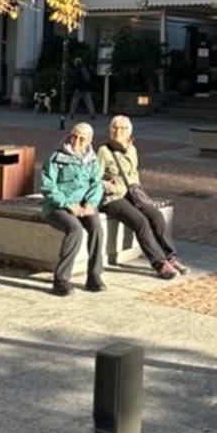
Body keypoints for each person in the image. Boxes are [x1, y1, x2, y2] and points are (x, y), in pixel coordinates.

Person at [97, 113, 186, 278]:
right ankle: (159, 263)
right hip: (112, 198)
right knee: (141, 222)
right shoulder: (103, 151)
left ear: (129, 132)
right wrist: (108, 185)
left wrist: (140, 194)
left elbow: (134, 174)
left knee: (157, 216)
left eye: (122, 128)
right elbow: (94, 177)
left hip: (132, 194)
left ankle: (171, 256)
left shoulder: (132, 149)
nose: (118, 131)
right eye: (114, 128)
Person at [40, 121, 105, 297]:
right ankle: (61, 280)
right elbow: (48, 187)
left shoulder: (92, 160)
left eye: (82, 139)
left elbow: (96, 184)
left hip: (83, 206)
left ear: (90, 141)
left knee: (97, 228)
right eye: (74, 136)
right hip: (57, 207)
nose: (76, 142)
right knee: (75, 229)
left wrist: (91, 203)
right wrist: (69, 205)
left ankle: (94, 276)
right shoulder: (56, 157)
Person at [68, 52, 95, 118]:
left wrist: (76, 87)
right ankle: (92, 114)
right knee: (89, 102)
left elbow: (76, 80)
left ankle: (71, 114)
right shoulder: (85, 69)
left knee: (74, 102)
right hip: (86, 88)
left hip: (79, 89)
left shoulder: (76, 71)